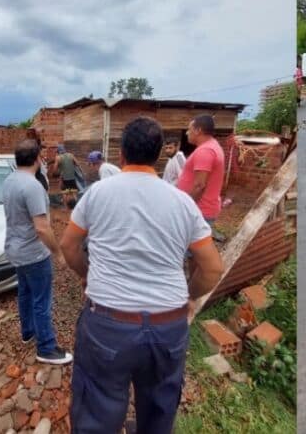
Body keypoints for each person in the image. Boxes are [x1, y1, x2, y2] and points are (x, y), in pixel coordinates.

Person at [60, 117, 223, 433]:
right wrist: (188, 296)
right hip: (168, 325)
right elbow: (213, 268)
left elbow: (69, 246)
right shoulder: (183, 203)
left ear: (121, 153)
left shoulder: (97, 194)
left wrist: (88, 274)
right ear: (159, 154)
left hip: (108, 324)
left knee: (96, 409)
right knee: (159, 410)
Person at [2, 139, 73, 365]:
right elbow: (41, 227)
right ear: (37, 159)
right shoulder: (32, 186)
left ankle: (28, 332)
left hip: (16, 250)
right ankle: (46, 348)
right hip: (33, 253)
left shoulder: (9, 180)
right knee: (41, 301)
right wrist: (58, 253)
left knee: (25, 292)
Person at [177, 115, 225, 225]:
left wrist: (187, 207)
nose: (187, 133)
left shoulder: (205, 151)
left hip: (199, 212)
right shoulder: (211, 146)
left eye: (189, 129)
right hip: (200, 211)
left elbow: (199, 186)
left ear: (198, 130)